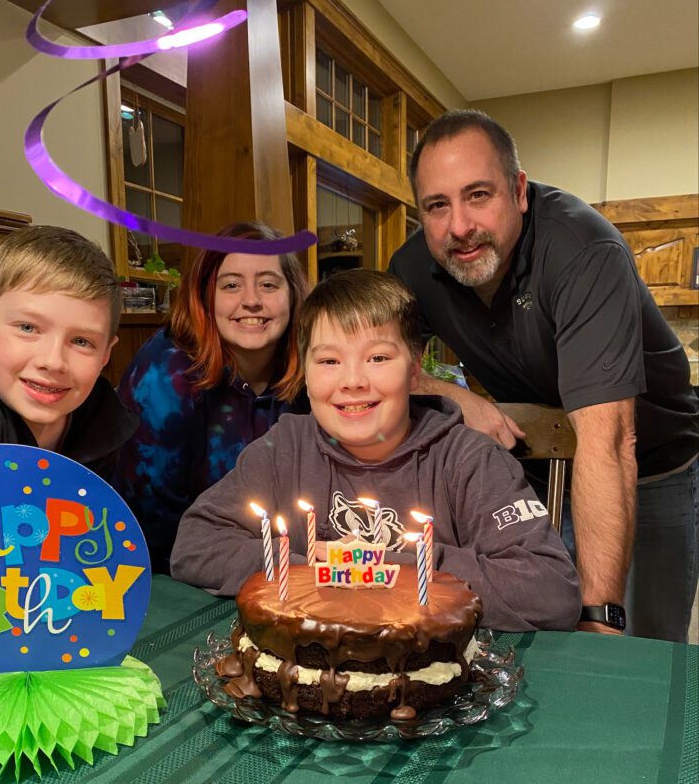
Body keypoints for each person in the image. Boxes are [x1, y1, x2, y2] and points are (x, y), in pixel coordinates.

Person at [388, 109, 699, 644]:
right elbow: (381, 360)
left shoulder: (583, 251)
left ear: (519, 191)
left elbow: (609, 441)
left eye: (478, 195)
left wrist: (600, 617)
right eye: (437, 206)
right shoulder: (414, 267)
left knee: (642, 647)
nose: (459, 226)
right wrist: (457, 397)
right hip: (535, 472)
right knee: (541, 633)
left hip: (652, 466)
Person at [171, 270, 581, 632]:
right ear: (305, 373)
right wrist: (315, 571)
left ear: (415, 369)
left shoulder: (468, 460)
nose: (352, 381)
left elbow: (549, 589)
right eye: (329, 361)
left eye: (378, 357)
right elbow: (196, 545)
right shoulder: (284, 449)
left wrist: (388, 567)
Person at [113, 222, 310, 572]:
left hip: (286, 569)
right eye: (231, 285)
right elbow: (151, 525)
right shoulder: (165, 376)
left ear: (293, 294)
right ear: (206, 295)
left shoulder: (315, 364)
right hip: (179, 575)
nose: (251, 301)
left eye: (268, 284)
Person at [0, 225, 136, 480]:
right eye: (28, 328)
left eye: (82, 341)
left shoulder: (101, 421)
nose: (53, 361)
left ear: (106, 353)